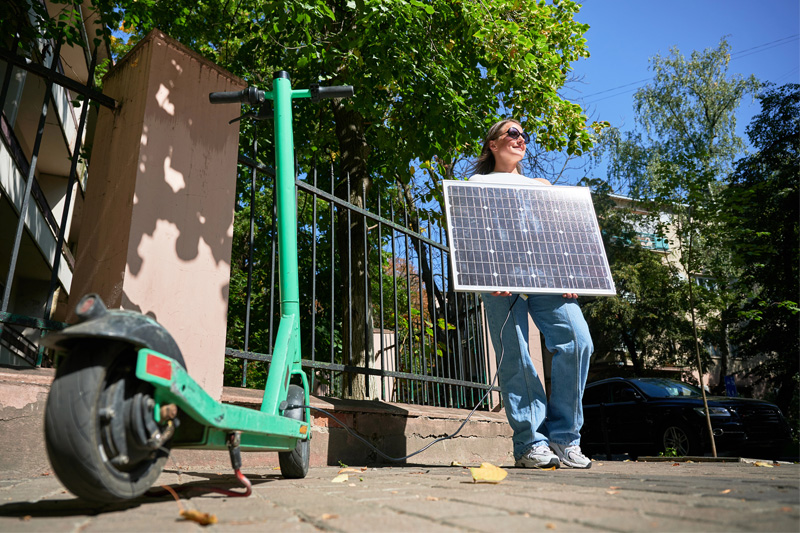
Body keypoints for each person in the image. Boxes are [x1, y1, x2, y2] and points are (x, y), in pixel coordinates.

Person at [469, 119, 594, 469]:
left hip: (544, 274)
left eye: (523, 135)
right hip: (498, 276)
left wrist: (568, 274)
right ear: (492, 144)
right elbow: (475, 233)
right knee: (516, 354)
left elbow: (554, 235)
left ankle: (565, 437)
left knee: (578, 341)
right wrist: (490, 269)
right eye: (512, 133)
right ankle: (529, 443)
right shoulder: (477, 183)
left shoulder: (540, 184)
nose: (520, 138)